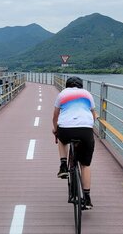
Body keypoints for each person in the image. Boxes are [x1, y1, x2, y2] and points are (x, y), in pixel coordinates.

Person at [52, 76, 98, 210]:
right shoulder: (88, 94)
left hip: (66, 130)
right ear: (81, 86)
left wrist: (55, 130)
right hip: (85, 130)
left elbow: (55, 116)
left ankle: (63, 166)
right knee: (85, 165)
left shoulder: (62, 94)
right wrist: (87, 129)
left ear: (67, 86)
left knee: (61, 139)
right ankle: (87, 199)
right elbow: (94, 116)